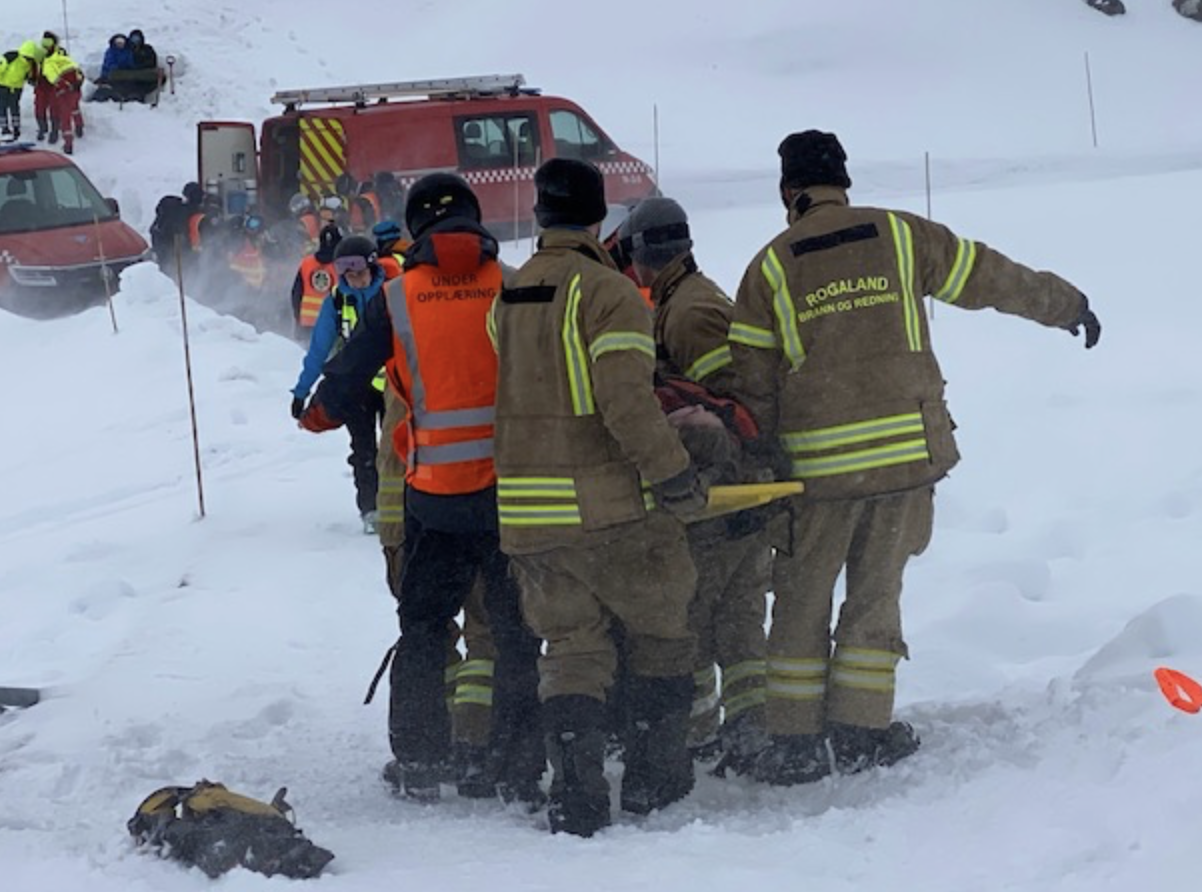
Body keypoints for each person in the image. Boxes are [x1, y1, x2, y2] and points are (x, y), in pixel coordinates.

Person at [728, 129, 1101, 785]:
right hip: (904, 460)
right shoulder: (902, 236)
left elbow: (751, 387)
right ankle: (862, 728)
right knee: (876, 595)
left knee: (801, 602)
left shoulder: (769, 266)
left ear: (788, 191)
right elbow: (992, 279)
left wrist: (760, 467)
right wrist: (1067, 305)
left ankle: (792, 743)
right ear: (844, 181)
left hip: (817, 473)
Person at [299, 174, 543, 806]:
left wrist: (316, 415)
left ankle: (420, 761)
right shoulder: (515, 286)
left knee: (425, 627)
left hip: (436, 499)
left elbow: (345, 379)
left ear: (416, 230)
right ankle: (515, 761)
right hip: (514, 494)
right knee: (516, 630)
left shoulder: (399, 297)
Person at [490, 158, 703, 837]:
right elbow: (626, 404)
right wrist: (673, 475)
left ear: (537, 216)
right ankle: (653, 776)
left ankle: (576, 795)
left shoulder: (510, 296)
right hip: (606, 506)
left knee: (573, 649)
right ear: (599, 216)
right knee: (662, 629)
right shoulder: (607, 293)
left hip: (528, 511)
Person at [621, 196, 773, 774]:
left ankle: (713, 730)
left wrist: (731, 493)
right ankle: (745, 728)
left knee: (705, 616)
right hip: (730, 492)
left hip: (722, 496)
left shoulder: (690, 312)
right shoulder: (681, 302)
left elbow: (732, 410)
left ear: (642, 255)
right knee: (732, 618)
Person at [291, 236, 385, 532]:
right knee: (364, 450)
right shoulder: (336, 299)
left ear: (372, 265)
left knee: (398, 448)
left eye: (358, 271)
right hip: (355, 387)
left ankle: (403, 505)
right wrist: (302, 391)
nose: (353, 279)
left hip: (394, 387)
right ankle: (370, 509)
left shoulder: (392, 293)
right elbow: (319, 348)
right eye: (346, 273)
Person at [291, 223, 341, 334]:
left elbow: (296, 294)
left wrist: (298, 318)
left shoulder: (306, 263)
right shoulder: (341, 266)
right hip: (331, 325)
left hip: (306, 324)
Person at [43, 47, 85, 155]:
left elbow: (54, 80)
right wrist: (76, 85)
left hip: (64, 94)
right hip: (76, 92)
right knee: (75, 109)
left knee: (65, 119)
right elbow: (81, 76)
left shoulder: (51, 65)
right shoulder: (69, 61)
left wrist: (64, 88)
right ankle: (79, 127)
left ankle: (68, 144)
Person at [0, 41, 44, 141]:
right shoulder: (11, 57)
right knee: (2, 107)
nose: (28, 60)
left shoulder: (30, 64)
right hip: (3, 86)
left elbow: (29, 76)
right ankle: (4, 128)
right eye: (27, 58)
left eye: (30, 58)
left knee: (14, 107)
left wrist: (33, 80)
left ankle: (16, 127)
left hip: (16, 88)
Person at [33, 32, 59, 141]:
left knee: (54, 108)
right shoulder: (39, 53)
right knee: (39, 107)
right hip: (41, 84)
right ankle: (42, 128)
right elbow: (33, 65)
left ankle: (55, 131)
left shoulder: (59, 53)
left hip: (54, 85)